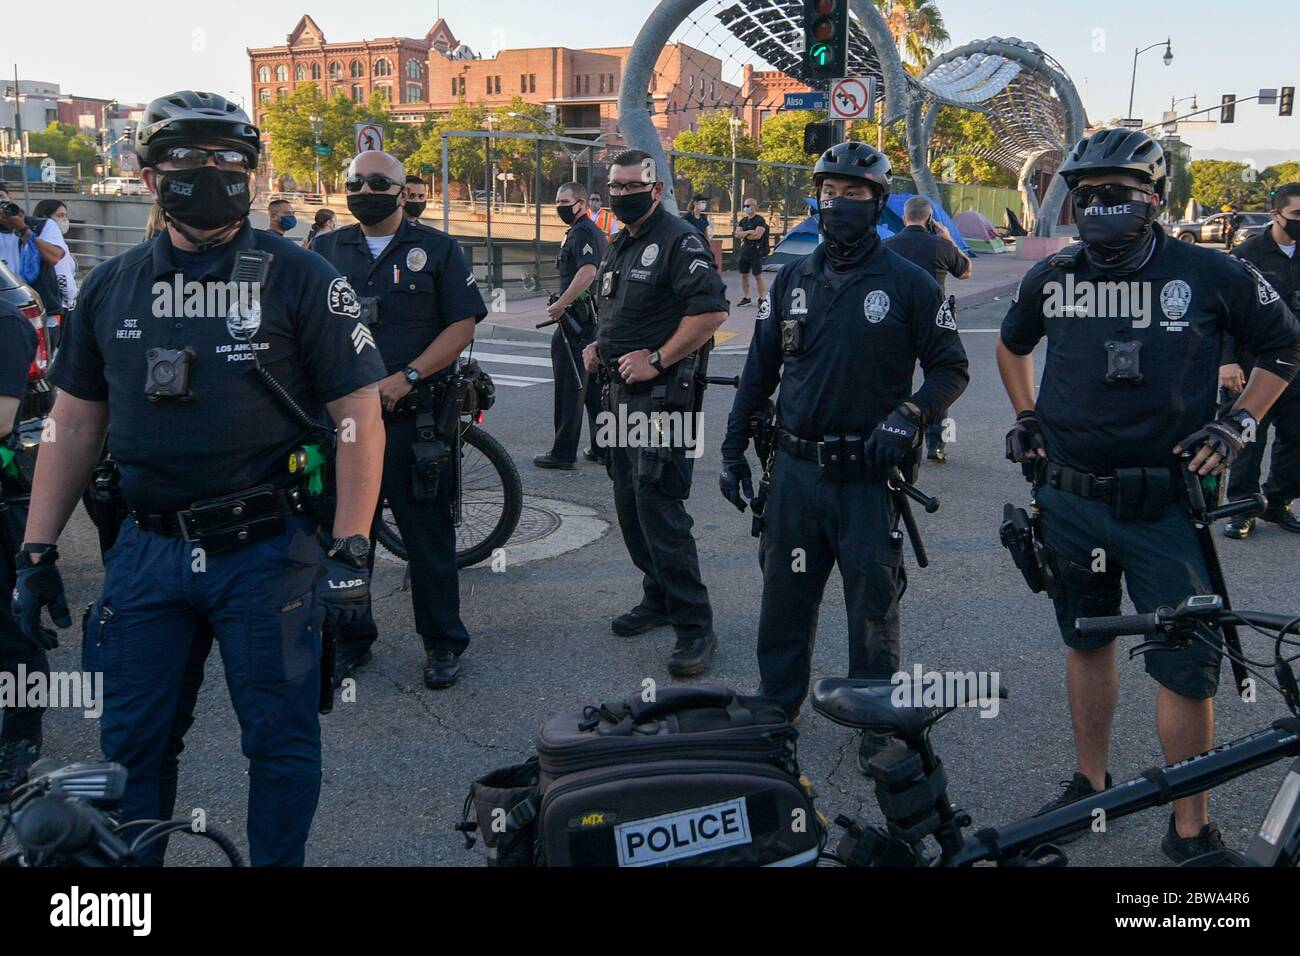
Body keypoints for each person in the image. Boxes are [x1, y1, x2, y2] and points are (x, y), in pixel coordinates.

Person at [14, 90, 388, 866]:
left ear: (251, 173)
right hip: (146, 554)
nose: (208, 172)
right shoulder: (111, 287)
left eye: (227, 158)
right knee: (129, 749)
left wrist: (352, 550)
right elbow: (76, 423)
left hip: (267, 551)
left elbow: (358, 412)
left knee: (279, 742)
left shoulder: (302, 277)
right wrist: (37, 549)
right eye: (185, 157)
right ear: (150, 176)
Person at [998, 128, 1300, 861]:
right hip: (1072, 500)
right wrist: (1027, 416)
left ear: (1155, 200)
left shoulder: (1210, 270)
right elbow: (1011, 344)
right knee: (1088, 638)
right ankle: (1090, 784)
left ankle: (1189, 827)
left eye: (1119, 196)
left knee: (1185, 663)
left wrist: (1238, 424)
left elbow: (1284, 345)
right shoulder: (1057, 273)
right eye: (1087, 195)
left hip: (1168, 506)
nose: (1099, 208)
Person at [720, 142, 969, 743]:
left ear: (877, 203)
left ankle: (874, 725)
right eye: (829, 194)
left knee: (872, 608)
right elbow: (760, 369)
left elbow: (950, 368)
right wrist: (730, 451)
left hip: (868, 478)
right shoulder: (792, 279)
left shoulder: (910, 284)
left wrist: (909, 414)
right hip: (796, 474)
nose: (839, 205)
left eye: (853, 194)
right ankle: (777, 707)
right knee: (784, 597)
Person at [312, 150, 487, 691]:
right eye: (354, 181)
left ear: (401, 188)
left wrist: (406, 377)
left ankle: (442, 645)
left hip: (414, 421)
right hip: (341, 427)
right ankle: (349, 640)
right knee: (343, 537)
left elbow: (461, 327)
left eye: (376, 182)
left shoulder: (437, 249)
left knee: (428, 540)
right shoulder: (323, 249)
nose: (364, 189)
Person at [582, 148, 727, 676]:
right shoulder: (623, 241)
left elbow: (710, 312)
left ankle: (695, 627)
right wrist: (599, 344)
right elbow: (620, 308)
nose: (621, 194)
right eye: (615, 187)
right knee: (629, 501)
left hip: (665, 399)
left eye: (631, 186)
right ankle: (658, 596)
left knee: (660, 508)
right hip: (620, 395)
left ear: (657, 188)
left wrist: (659, 358)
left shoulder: (678, 240)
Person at [1220, 182, 1300, 538]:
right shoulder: (1246, 255)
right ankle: (1243, 508)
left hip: (1296, 365)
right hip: (1252, 365)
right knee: (1247, 437)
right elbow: (1221, 315)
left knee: (1295, 438)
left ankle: (1279, 502)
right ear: (1276, 214)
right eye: (1297, 215)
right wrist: (1226, 361)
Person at [884, 195, 973, 462]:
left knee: (895, 378)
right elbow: (966, 272)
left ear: (904, 217)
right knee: (938, 378)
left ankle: (891, 431)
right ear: (930, 218)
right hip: (934, 321)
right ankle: (937, 444)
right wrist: (950, 240)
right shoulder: (940, 246)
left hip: (895, 319)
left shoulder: (887, 245)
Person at [535, 182, 607, 470]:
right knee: (593, 390)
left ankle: (563, 453)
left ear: (581, 203)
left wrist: (561, 303)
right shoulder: (586, 231)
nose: (559, 205)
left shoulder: (582, 232)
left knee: (570, 387)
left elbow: (588, 272)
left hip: (576, 322)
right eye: (557, 199)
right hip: (588, 322)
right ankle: (604, 448)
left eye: (564, 200)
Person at [0, 298, 41, 795]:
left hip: (6, 500)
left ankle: (21, 736)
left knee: (12, 630)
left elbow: (3, 419)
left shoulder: (6, 323)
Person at [0, 186, 66, 301]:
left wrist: (22, 229)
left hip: (41, 304)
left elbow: (54, 257)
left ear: (10, 197)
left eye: (1, 197)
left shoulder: (43, 225)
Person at [31, 199, 78, 349]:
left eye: (66, 215)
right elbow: (62, 277)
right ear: (46, 217)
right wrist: (70, 299)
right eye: (60, 215)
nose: (65, 220)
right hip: (60, 308)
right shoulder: (51, 246)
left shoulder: (47, 242)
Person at [734, 199, 768, 306]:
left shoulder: (760, 220)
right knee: (744, 275)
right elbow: (737, 234)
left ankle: (762, 298)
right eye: (744, 205)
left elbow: (757, 235)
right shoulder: (743, 221)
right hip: (745, 250)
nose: (746, 207)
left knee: (758, 275)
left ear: (754, 206)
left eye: (748, 205)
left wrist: (744, 234)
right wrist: (749, 232)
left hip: (756, 251)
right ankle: (746, 297)